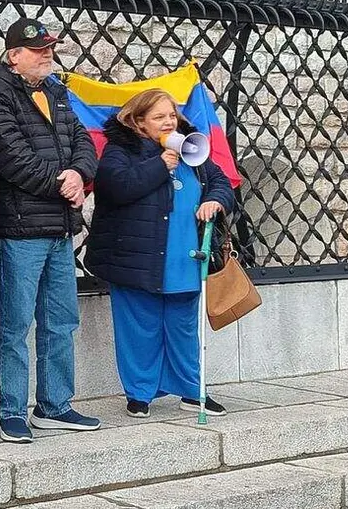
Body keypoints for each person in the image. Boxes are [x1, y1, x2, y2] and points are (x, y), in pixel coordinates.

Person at [0, 18, 101, 444]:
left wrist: (80, 174)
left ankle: (54, 405)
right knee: (16, 324)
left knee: (61, 320)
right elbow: (9, 156)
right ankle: (11, 410)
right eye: (38, 49)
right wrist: (61, 183)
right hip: (22, 227)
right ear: (14, 56)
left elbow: (83, 141)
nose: (47, 54)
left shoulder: (56, 91)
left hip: (61, 225)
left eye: (50, 48)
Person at [85, 88, 236, 418]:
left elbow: (220, 181)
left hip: (185, 256)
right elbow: (116, 187)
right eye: (159, 117)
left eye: (172, 115)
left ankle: (192, 390)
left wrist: (216, 200)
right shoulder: (120, 150)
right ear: (139, 123)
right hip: (137, 257)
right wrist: (158, 165)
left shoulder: (191, 148)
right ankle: (140, 393)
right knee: (140, 326)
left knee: (182, 327)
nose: (169, 122)